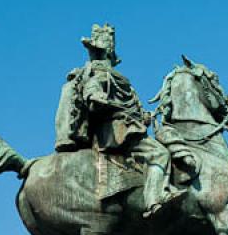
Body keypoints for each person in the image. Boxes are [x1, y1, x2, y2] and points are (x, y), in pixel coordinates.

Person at [55, 23, 184, 218]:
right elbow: (92, 88)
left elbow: (130, 107)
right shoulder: (100, 73)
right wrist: (95, 96)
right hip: (117, 133)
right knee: (159, 154)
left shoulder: (110, 76)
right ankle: (154, 199)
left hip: (125, 128)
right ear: (108, 54)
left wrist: (144, 117)